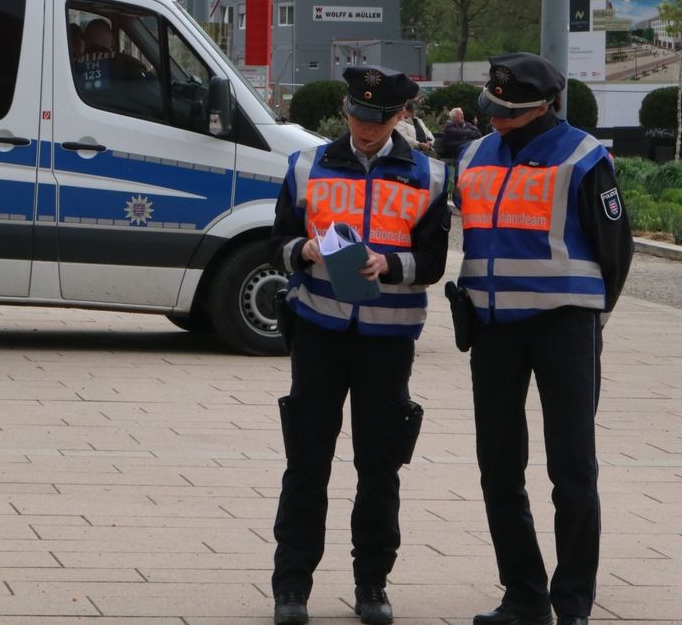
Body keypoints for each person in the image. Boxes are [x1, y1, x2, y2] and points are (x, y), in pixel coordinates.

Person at [453, 53, 633, 625]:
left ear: (545, 106)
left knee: (572, 469)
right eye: (495, 110)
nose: (499, 121)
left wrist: (590, 323)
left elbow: (616, 249)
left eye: (512, 113)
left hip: (564, 329)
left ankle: (573, 601)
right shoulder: (475, 153)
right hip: (493, 329)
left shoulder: (582, 155)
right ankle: (524, 594)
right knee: (498, 466)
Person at [268, 66, 451, 625]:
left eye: (377, 119)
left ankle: (372, 584)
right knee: (306, 463)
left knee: (379, 467)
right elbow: (276, 242)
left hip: (388, 340)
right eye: (355, 115)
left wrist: (389, 264)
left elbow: (435, 263)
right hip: (318, 331)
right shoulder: (307, 165)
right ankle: (292, 587)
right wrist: (303, 252)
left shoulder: (429, 176)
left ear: (401, 117)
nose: (364, 128)